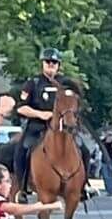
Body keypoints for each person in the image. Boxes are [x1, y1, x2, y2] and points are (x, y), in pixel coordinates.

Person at [10, 49, 78, 196]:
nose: (51, 64)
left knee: (82, 149)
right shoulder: (33, 83)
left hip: (61, 127)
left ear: (59, 65)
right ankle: (22, 187)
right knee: (23, 149)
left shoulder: (65, 83)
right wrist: (41, 114)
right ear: (42, 63)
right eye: (48, 61)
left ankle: (83, 186)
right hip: (38, 126)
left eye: (54, 62)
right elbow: (21, 108)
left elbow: (72, 103)